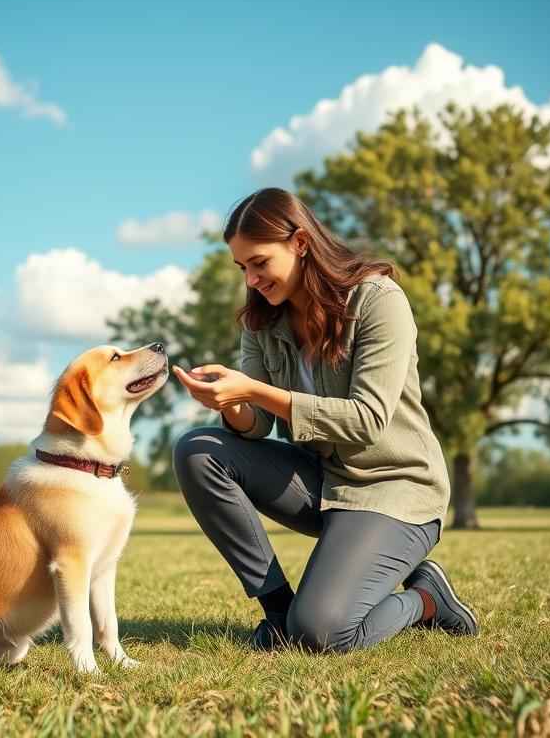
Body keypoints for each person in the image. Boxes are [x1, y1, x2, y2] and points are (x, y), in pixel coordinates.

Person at [171, 187, 478, 653]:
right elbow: (255, 426)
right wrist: (229, 403)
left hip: (396, 489)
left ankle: (425, 599)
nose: (252, 279)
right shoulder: (263, 324)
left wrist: (253, 389)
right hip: (324, 483)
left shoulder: (377, 300)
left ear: (299, 243)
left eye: (259, 262)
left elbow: (367, 420)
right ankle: (277, 611)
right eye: (242, 268)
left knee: (320, 633)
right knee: (197, 451)